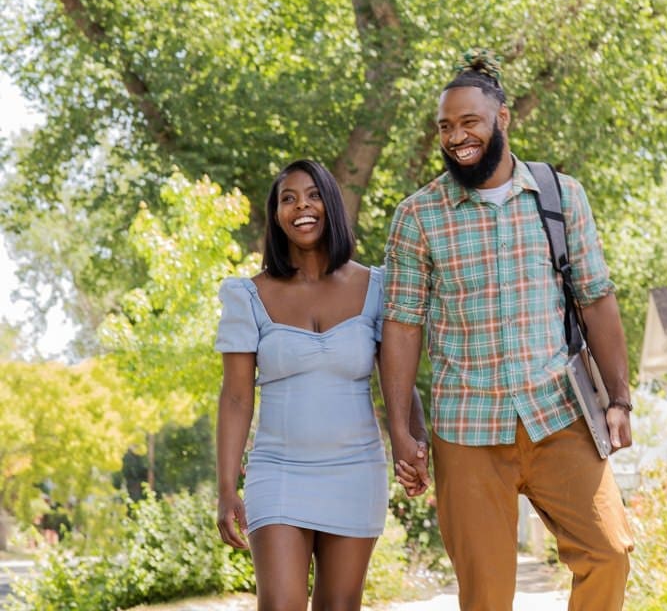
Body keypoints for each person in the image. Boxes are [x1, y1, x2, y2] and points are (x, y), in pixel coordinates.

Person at [379, 50, 635, 611]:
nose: (456, 136)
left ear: (502, 119)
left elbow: (595, 298)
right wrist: (401, 428)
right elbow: (401, 327)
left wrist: (619, 399)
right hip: (465, 427)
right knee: (486, 595)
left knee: (609, 551)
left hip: (558, 413)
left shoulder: (561, 197)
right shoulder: (418, 216)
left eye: (469, 122)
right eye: (445, 126)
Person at [214, 158, 426, 611]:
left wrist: (414, 442)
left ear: (330, 204)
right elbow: (235, 397)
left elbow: (400, 380)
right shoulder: (247, 294)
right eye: (287, 199)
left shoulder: (377, 287)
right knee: (282, 604)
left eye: (311, 195)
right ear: (276, 216)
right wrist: (227, 488)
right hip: (279, 469)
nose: (301, 206)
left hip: (356, 470)